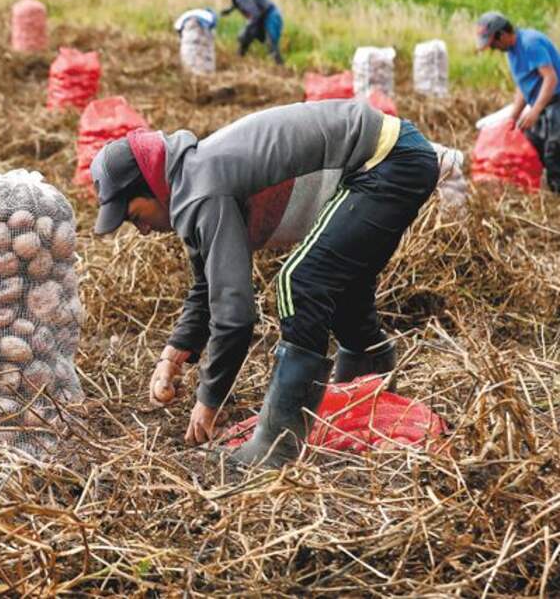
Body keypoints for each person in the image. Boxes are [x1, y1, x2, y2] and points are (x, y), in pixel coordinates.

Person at [90, 100, 439, 468]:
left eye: (134, 216)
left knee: (300, 282)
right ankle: (369, 392)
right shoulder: (192, 181)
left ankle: (280, 442)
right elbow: (207, 287)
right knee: (337, 282)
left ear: (151, 185)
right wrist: (175, 353)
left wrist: (209, 401)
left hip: (388, 161)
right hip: (394, 155)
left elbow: (235, 314)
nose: (142, 230)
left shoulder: (202, 187)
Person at [477, 11, 560, 193]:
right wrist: (513, 117)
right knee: (534, 145)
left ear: (502, 34)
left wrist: (535, 111)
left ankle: (557, 200)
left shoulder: (530, 43)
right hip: (543, 102)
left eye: (494, 44)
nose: (494, 48)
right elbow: (524, 86)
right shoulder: (512, 52)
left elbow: (550, 78)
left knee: (554, 149)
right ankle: (549, 189)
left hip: (556, 101)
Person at [217, 0, 283, 64]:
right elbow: (238, 3)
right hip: (262, 16)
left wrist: (245, 30)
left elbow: (255, 15)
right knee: (246, 37)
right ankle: (238, 60)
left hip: (271, 16)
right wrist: (229, 10)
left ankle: (279, 66)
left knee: (271, 43)